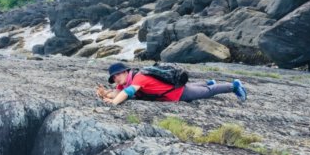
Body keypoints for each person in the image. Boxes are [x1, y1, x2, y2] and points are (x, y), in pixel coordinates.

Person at [96, 62, 247, 106]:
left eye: (116, 75)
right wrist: (106, 94)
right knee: (195, 86)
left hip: (176, 93)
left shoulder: (138, 78)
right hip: (171, 90)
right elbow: (118, 92)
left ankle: (234, 86)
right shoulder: (125, 82)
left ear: (124, 72)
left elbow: (127, 93)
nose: (115, 79)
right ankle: (208, 81)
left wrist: (114, 103)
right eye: (113, 78)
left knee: (207, 92)